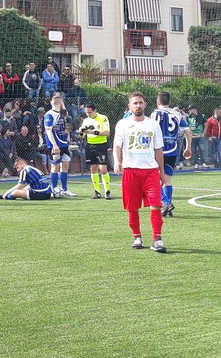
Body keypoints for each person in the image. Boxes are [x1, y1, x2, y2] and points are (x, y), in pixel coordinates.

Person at [113, 92, 167, 253]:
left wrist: (161, 171)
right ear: (129, 106)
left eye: (140, 103)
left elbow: (158, 149)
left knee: (156, 205)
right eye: (135, 103)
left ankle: (157, 238)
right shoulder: (123, 124)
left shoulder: (153, 124)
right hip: (130, 171)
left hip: (150, 171)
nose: (138, 106)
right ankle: (137, 236)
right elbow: (117, 145)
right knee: (132, 207)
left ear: (145, 105)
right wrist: (117, 161)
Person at [149, 92, 191, 217]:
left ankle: (166, 203)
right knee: (167, 180)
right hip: (172, 150)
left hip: (158, 150)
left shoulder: (155, 113)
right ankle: (168, 209)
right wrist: (188, 148)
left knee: (153, 179)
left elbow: (151, 130)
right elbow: (188, 132)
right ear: (170, 102)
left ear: (157, 101)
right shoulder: (177, 114)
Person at [79, 102, 113, 200]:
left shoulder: (103, 118)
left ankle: (107, 191)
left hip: (101, 146)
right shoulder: (85, 121)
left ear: (95, 111)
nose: (88, 114)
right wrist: (81, 132)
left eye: (90, 112)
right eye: (86, 112)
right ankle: (97, 191)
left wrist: (92, 132)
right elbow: (82, 136)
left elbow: (107, 133)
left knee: (103, 169)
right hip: (90, 146)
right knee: (93, 169)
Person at [43, 93, 75, 197]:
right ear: (60, 102)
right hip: (55, 145)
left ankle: (65, 189)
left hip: (63, 144)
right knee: (55, 166)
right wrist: (54, 145)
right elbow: (49, 131)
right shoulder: (49, 115)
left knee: (65, 165)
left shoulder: (61, 114)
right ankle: (54, 188)